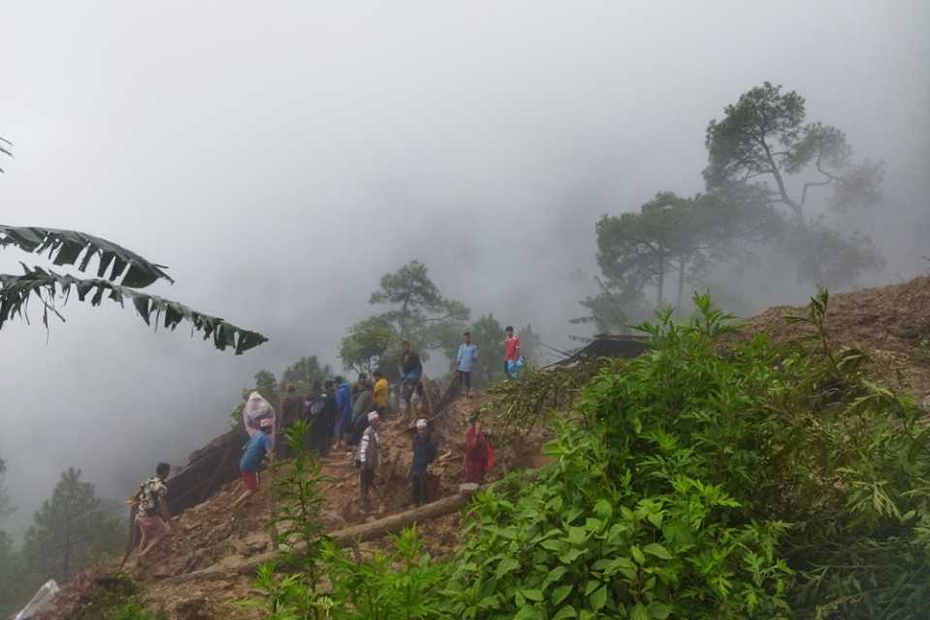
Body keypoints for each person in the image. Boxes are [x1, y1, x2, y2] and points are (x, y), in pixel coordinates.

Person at [234, 418, 274, 507]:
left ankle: (246, 502)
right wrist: (272, 464)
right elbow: (270, 453)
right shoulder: (266, 439)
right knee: (254, 488)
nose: (271, 429)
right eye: (270, 427)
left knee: (252, 485)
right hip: (250, 466)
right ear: (267, 428)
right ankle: (236, 503)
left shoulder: (256, 435)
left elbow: (244, 448)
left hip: (243, 463)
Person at [136, 462, 172, 557]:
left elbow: (137, 493)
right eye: (168, 472)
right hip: (150, 516)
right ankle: (143, 554)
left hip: (140, 515)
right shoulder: (160, 486)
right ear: (164, 472)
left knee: (145, 535)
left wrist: (134, 503)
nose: (168, 474)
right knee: (164, 532)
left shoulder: (149, 480)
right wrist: (169, 520)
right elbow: (162, 504)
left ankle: (138, 555)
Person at [356, 411, 381, 512]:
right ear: (371, 422)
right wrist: (363, 463)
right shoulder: (367, 433)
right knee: (365, 482)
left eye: (378, 420)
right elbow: (363, 449)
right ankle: (364, 500)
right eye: (376, 421)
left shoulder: (374, 432)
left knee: (369, 479)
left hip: (370, 463)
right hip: (366, 463)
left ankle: (367, 499)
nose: (378, 423)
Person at [411, 419, 438, 506]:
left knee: (425, 493)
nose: (421, 432)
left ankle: (425, 509)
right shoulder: (415, 440)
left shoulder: (431, 442)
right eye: (419, 429)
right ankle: (416, 507)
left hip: (425, 472)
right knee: (415, 491)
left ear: (427, 430)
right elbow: (414, 454)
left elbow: (436, 457)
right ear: (417, 430)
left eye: (423, 429)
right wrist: (410, 468)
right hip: (416, 469)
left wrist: (431, 466)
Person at [463, 417, 491, 484]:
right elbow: (473, 446)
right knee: (473, 483)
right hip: (474, 464)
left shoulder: (480, 433)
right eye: (480, 422)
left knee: (479, 481)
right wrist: (477, 434)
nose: (482, 424)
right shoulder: (470, 433)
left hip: (480, 463)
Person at [279, 384, 303, 459]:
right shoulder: (300, 397)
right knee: (296, 439)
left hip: (287, 422)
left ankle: (288, 457)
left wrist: (280, 424)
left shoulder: (285, 399)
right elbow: (302, 410)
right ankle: (296, 456)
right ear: (294, 390)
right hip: (297, 422)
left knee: (287, 440)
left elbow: (283, 412)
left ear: (288, 390)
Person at [401, 341, 423, 418]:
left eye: (406, 346)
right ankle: (407, 413)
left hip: (413, 376)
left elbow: (418, 366)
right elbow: (403, 367)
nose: (404, 348)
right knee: (405, 396)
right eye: (403, 347)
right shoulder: (402, 356)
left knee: (411, 395)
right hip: (405, 377)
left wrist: (418, 377)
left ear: (409, 346)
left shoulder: (414, 355)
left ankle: (415, 415)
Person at [455, 331, 479, 398]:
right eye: (465, 338)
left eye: (468, 338)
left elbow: (475, 357)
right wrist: (457, 365)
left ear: (470, 338)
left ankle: (467, 394)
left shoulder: (474, 347)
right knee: (460, 381)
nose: (466, 339)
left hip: (468, 367)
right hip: (461, 366)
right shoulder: (462, 346)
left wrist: (473, 359)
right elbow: (459, 356)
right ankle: (459, 393)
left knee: (467, 381)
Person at [335, 376, 354, 449]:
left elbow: (340, 403)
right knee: (346, 427)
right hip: (348, 411)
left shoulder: (340, 390)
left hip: (342, 412)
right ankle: (344, 443)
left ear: (337, 383)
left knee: (341, 428)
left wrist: (337, 412)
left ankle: (341, 444)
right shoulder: (347, 388)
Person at [322, 380, 338, 450]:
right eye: (332, 386)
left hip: (329, 417)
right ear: (329, 386)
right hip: (329, 417)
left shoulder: (326, 395)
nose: (334, 387)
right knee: (329, 433)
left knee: (329, 433)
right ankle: (327, 449)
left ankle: (327, 448)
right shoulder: (328, 395)